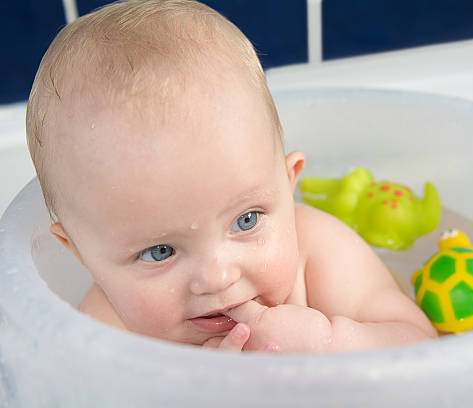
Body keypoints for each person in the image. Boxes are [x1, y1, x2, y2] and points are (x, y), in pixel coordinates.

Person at [25, 0, 436, 353]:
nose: (218, 277)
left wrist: (330, 343)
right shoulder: (106, 327)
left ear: (288, 184)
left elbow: (420, 347)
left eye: (247, 220)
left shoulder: (321, 255)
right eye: (159, 252)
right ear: (79, 251)